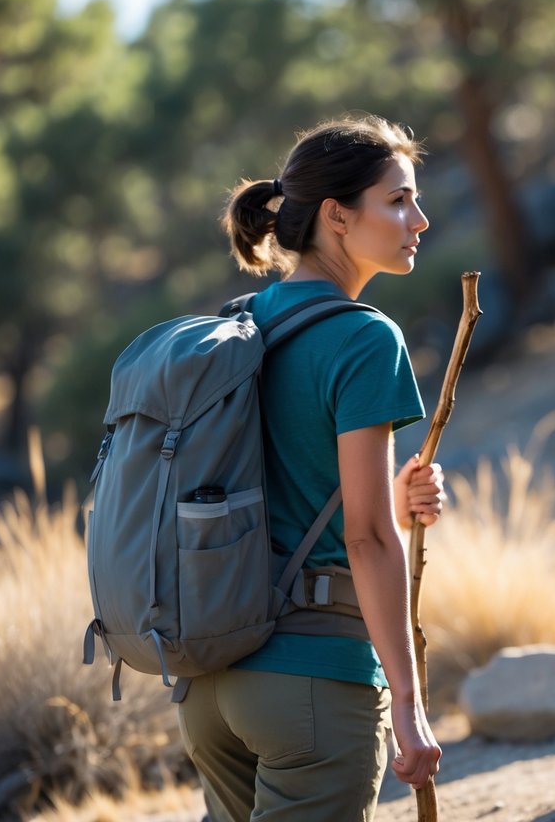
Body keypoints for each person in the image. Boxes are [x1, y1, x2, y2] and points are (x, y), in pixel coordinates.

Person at [176, 114, 444, 822]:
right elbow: (368, 540)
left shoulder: (242, 322)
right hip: (312, 684)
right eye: (397, 200)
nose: (418, 218)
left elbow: (279, 488)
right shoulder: (363, 338)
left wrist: (394, 498)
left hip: (211, 687)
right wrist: (410, 706)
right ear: (336, 216)